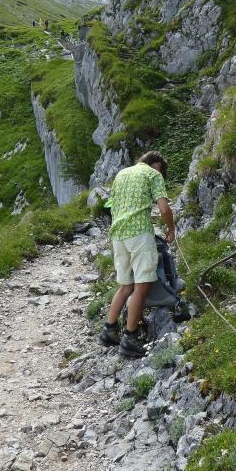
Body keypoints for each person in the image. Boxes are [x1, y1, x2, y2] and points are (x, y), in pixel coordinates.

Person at [99, 151, 175, 358]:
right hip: (139, 234)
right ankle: (130, 338)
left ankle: (109, 330)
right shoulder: (153, 174)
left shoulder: (122, 174)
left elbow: (112, 206)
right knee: (142, 285)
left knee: (125, 285)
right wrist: (171, 229)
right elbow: (164, 208)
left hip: (118, 234)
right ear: (157, 164)